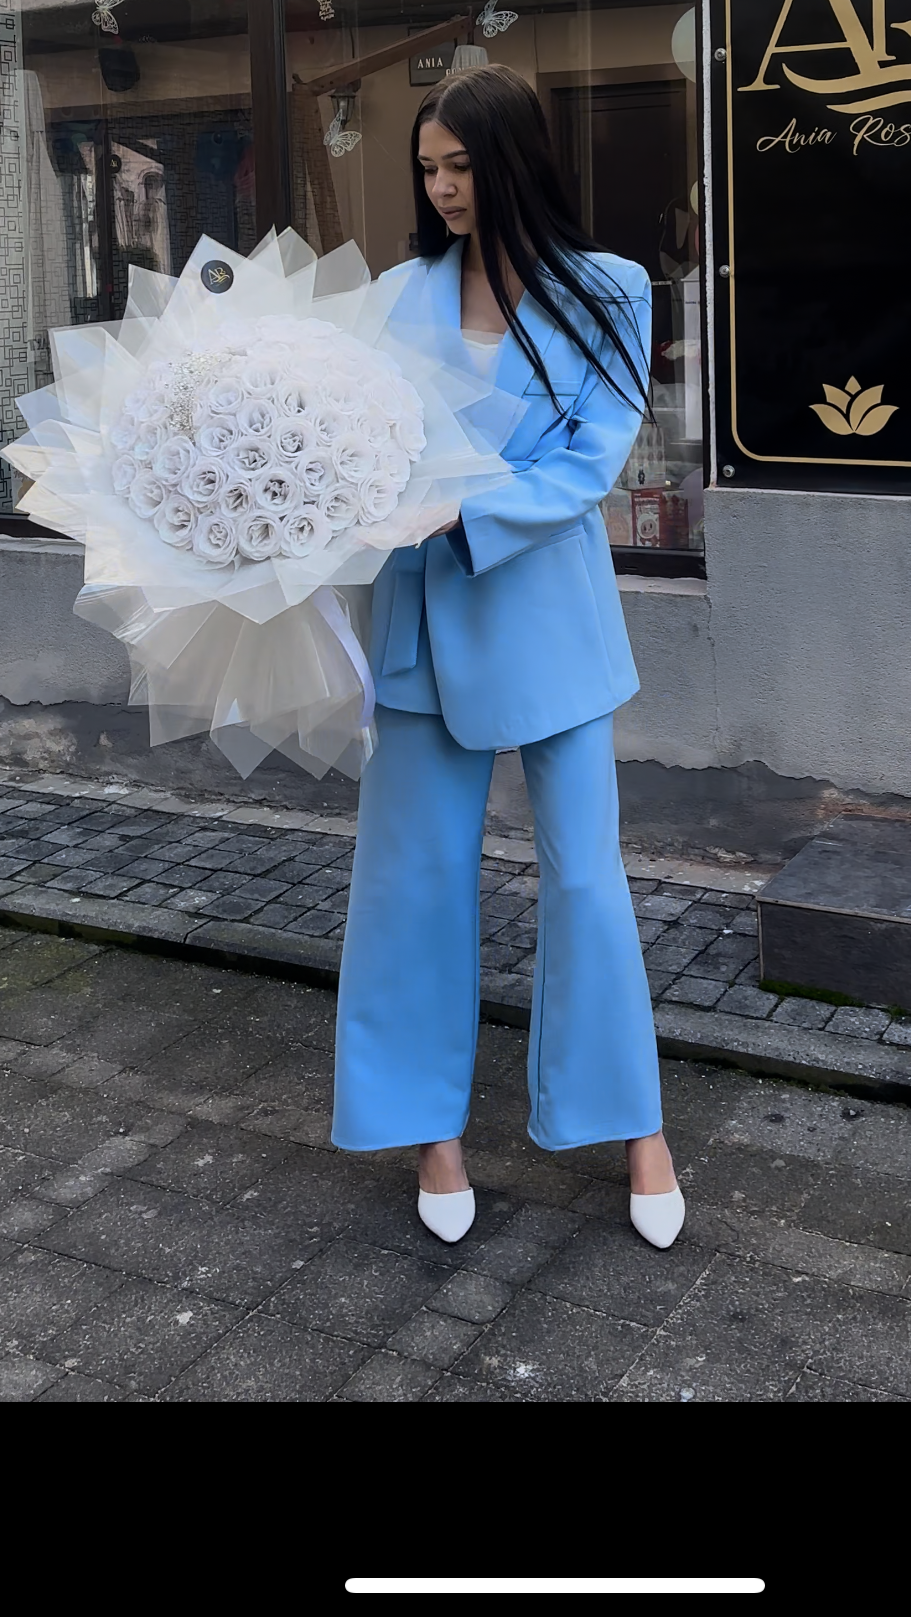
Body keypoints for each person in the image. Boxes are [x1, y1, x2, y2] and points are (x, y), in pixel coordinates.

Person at [332, 65, 684, 1250]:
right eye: (427, 169)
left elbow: (592, 461)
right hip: (421, 623)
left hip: (549, 621)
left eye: (461, 166)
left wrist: (462, 510)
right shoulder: (397, 298)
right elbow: (358, 447)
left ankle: (634, 1125)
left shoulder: (611, 287)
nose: (441, 188)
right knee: (411, 884)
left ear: (515, 160)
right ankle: (429, 1132)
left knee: (585, 881)